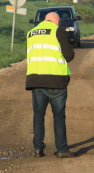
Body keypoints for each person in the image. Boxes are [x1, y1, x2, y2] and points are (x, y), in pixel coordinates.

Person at [26, 11, 77, 158]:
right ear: (57, 20)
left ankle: (38, 149)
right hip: (56, 81)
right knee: (59, 116)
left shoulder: (31, 33)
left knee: (38, 115)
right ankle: (61, 149)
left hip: (36, 80)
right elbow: (69, 56)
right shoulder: (57, 31)